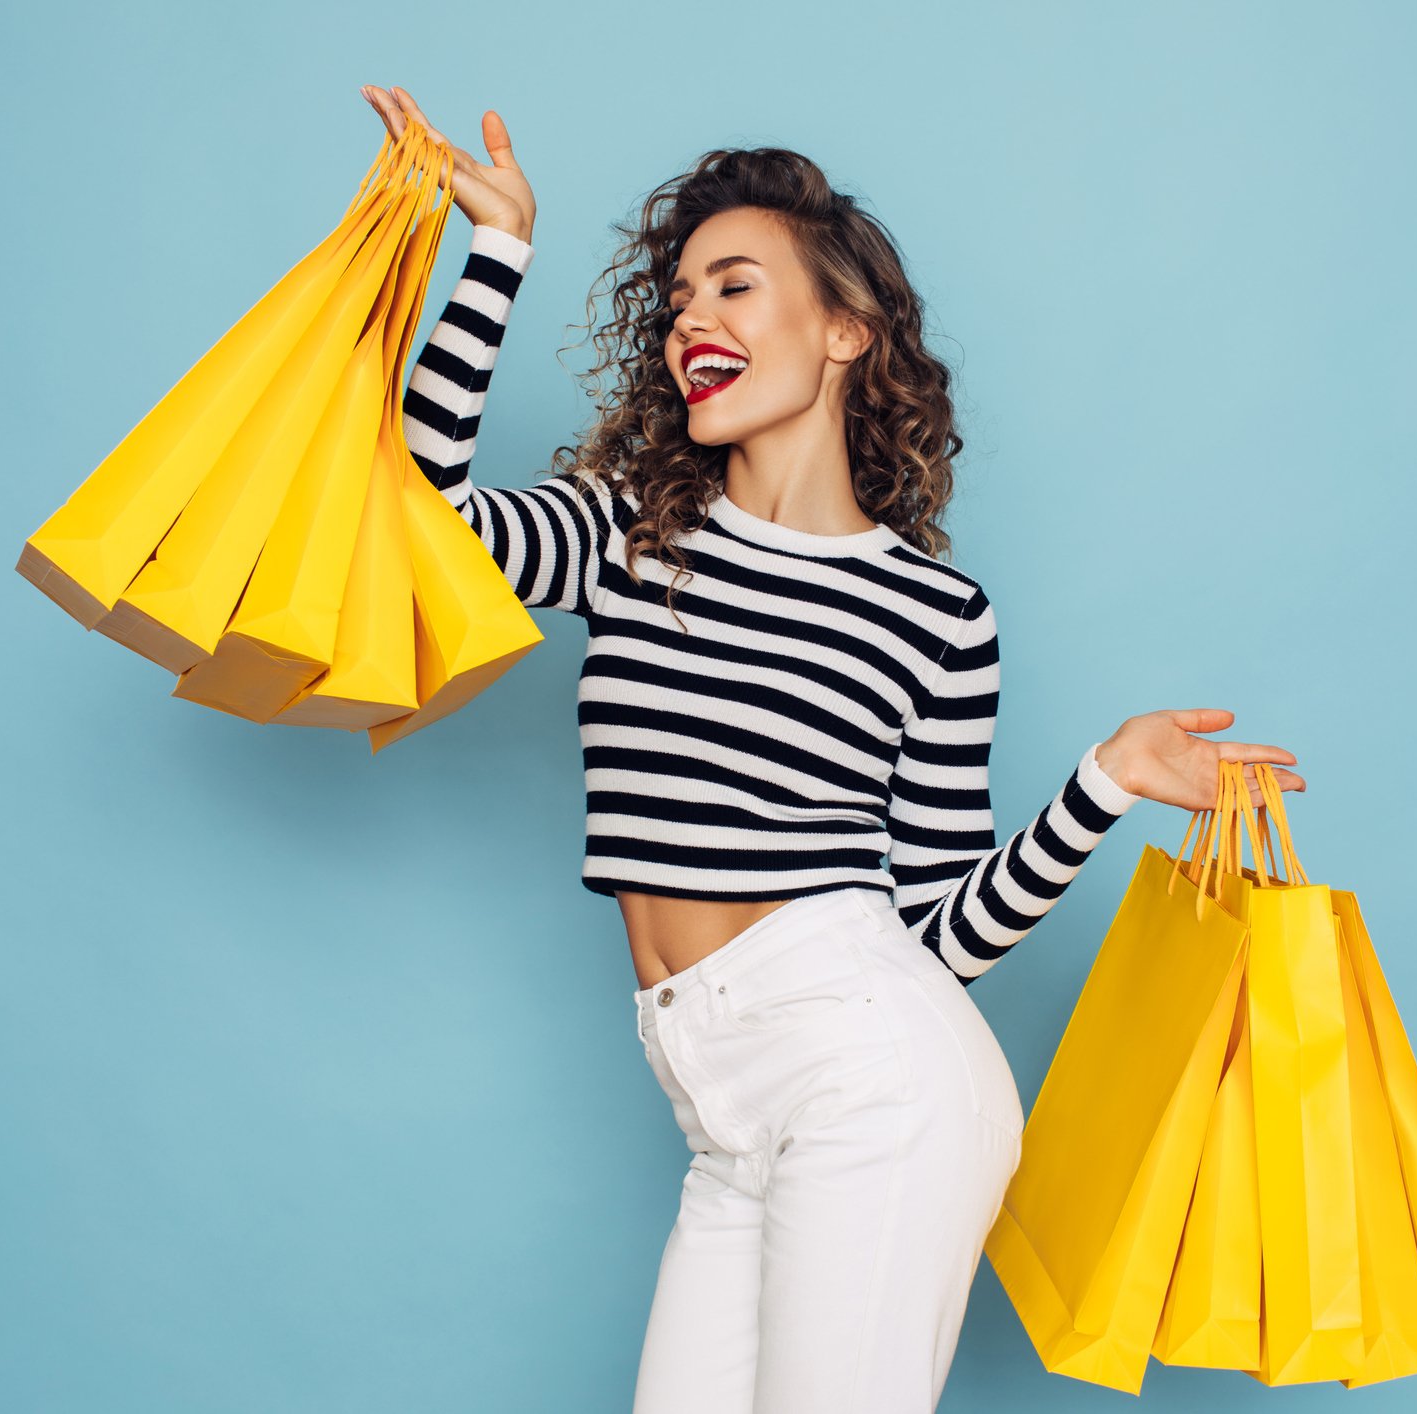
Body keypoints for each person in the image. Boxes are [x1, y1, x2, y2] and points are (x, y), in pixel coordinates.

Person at [360, 86, 1305, 1414]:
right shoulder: (631, 537)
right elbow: (423, 513)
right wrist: (497, 249)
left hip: (870, 1070)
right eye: (680, 294)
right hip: (717, 1106)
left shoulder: (936, 614)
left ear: (844, 329)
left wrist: (1103, 783)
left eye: (735, 285)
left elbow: (932, 934)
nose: (693, 314)